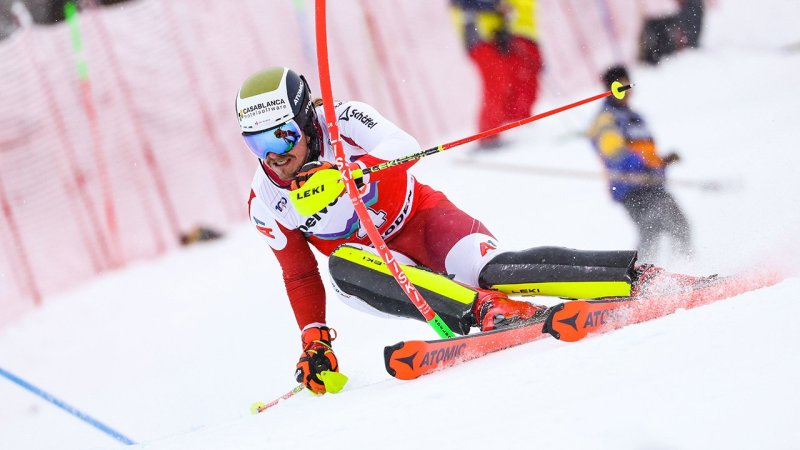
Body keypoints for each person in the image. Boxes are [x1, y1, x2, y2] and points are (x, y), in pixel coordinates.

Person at [238, 66, 662, 395]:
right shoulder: (266, 202)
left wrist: (349, 173)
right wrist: (315, 340)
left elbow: (404, 145)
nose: (274, 157)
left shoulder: (341, 119)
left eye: (282, 137)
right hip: (376, 271)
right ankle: (489, 311)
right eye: (257, 144)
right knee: (342, 263)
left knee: (489, 269)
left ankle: (632, 278)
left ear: (306, 121)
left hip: (420, 219)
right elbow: (298, 273)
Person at [588, 65, 692, 263]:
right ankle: (639, 276)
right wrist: (644, 165)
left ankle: (688, 267)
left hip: (650, 184)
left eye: (628, 85)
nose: (626, 90)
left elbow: (645, 151)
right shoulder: (606, 119)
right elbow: (615, 154)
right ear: (610, 89)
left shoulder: (636, 118)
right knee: (653, 228)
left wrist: (662, 162)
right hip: (631, 187)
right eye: (620, 86)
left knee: (676, 225)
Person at [449, 0, 542, 149]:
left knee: (509, 81)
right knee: (497, 83)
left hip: (491, 34)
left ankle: (510, 127)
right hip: (478, 36)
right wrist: (495, 6)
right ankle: (488, 136)